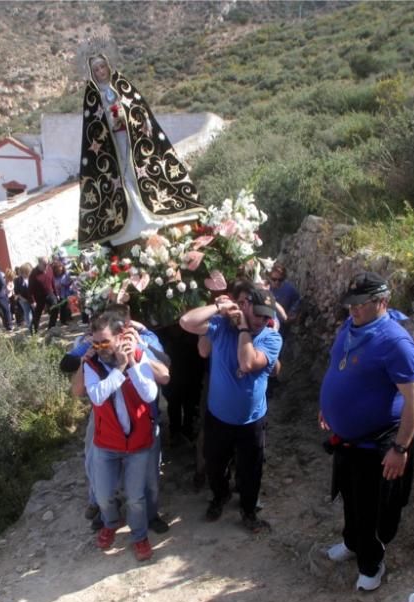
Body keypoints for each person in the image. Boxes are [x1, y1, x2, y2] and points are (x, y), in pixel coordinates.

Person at [318, 272, 414, 592]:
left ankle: (371, 562)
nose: (352, 311)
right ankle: (352, 543)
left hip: (377, 442)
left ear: (382, 302)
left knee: (371, 508)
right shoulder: (350, 327)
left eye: (360, 305)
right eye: (349, 304)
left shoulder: (396, 343)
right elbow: (339, 366)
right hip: (347, 440)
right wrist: (330, 406)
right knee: (350, 496)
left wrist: (400, 448)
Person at [179, 283, 282, 532]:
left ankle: (248, 511)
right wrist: (218, 306)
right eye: (256, 314)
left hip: (251, 421)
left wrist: (245, 328)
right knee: (215, 464)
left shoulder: (271, 337)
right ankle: (220, 496)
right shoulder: (222, 326)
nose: (261, 320)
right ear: (244, 306)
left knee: (251, 470)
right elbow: (186, 322)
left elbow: (247, 363)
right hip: (219, 417)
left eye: (266, 316)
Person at [78, 54, 204, 246]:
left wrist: (126, 117)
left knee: (138, 171)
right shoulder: (92, 96)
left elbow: (140, 110)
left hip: (133, 140)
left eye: (103, 67)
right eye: (96, 70)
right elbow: (92, 127)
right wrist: (110, 123)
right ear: (92, 74)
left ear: (108, 66)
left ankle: (155, 205)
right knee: (123, 176)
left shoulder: (122, 86)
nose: (101, 72)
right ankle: (134, 217)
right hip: (111, 146)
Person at [83, 313, 159, 561]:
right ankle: (111, 522)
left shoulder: (138, 355)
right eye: (95, 343)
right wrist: (119, 369)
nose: (99, 348)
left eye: (104, 342)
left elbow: (149, 395)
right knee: (104, 495)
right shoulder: (91, 364)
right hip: (107, 444)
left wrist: (133, 365)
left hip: (137, 442)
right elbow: (97, 396)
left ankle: (139, 536)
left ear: (119, 337)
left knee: (135, 498)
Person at [28, 259, 56, 333]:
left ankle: (51, 326)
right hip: (39, 296)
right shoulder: (33, 274)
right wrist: (32, 301)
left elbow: (52, 281)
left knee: (55, 306)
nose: (46, 266)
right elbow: (30, 289)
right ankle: (34, 330)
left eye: (47, 264)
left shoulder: (49, 269)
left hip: (49, 293)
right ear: (39, 263)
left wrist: (56, 294)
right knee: (37, 313)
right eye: (44, 264)